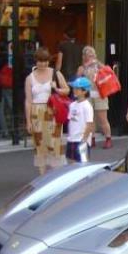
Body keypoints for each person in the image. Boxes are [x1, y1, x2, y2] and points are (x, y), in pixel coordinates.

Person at [25, 47, 69, 175]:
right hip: (36, 112)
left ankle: (57, 175)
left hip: (52, 111)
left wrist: (57, 89)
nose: (43, 64)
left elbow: (67, 90)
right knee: (40, 146)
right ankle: (43, 176)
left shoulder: (56, 73)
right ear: (35, 61)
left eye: (45, 61)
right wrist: (28, 121)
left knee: (55, 143)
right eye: (40, 61)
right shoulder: (30, 78)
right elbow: (28, 100)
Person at [78, 46, 113, 149]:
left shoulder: (98, 66)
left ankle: (108, 138)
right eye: (88, 55)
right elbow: (77, 81)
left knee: (103, 119)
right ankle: (91, 139)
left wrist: (97, 62)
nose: (90, 57)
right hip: (88, 95)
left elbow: (109, 72)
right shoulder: (82, 68)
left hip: (100, 95)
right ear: (84, 56)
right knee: (90, 119)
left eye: (92, 54)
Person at [66, 77, 94, 163]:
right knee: (70, 162)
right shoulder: (72, 105)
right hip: (71, 139)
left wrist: (84, 139)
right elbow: (70, 121)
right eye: (74, 88)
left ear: (85, 91)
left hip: (81, 140)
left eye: (77, 88)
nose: (74, 90)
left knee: (83, 163)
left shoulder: (87, 106)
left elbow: (89, 124)